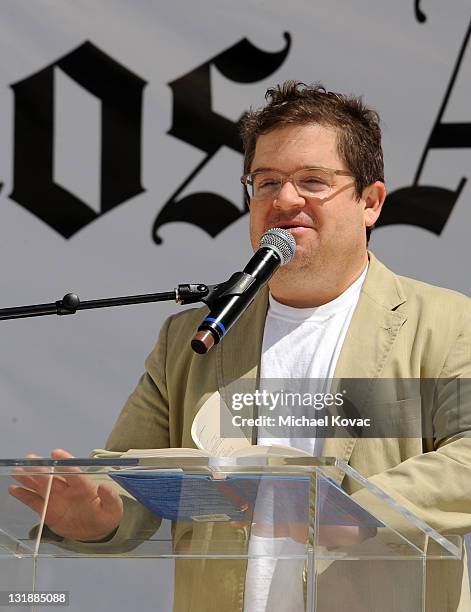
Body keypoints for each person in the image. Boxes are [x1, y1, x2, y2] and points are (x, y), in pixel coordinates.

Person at [9, 81, 471, 611]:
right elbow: (132, 479)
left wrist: (360, 511)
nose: (284, 200)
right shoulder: (191, 338)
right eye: (266, 181)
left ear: (371, 202)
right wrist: (100, 515)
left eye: (313, 181)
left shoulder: (446, 323)